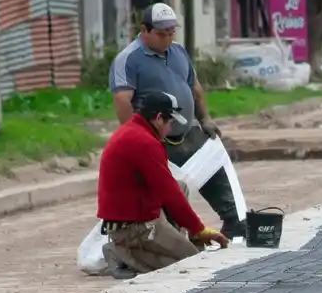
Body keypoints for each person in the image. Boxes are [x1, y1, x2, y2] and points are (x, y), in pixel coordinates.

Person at [109, 3, 246, 240]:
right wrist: (137, 139)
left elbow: (195, 87)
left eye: (171, 33)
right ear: (145, 30)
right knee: (167, 190)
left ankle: (234, 220)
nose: (168, 38)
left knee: (214, 169)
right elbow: (123, 100)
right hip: (156, 139)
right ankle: (173, 235)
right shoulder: (128, 59)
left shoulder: (179, 52)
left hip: (187, 130)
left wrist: (205, 118)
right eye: (162, 34)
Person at [97, 90, 229, 277]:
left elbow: (170, 188)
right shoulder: (144, 142)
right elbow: (169, 193)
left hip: (138, 211)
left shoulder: (134, 130)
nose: (171, 129)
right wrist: (198, 229)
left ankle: (162, 244)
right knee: (190, 263)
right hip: (134, 227)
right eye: (170, 122)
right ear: (159, 118)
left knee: (181, 186)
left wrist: (194, 231)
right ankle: (122, 254)